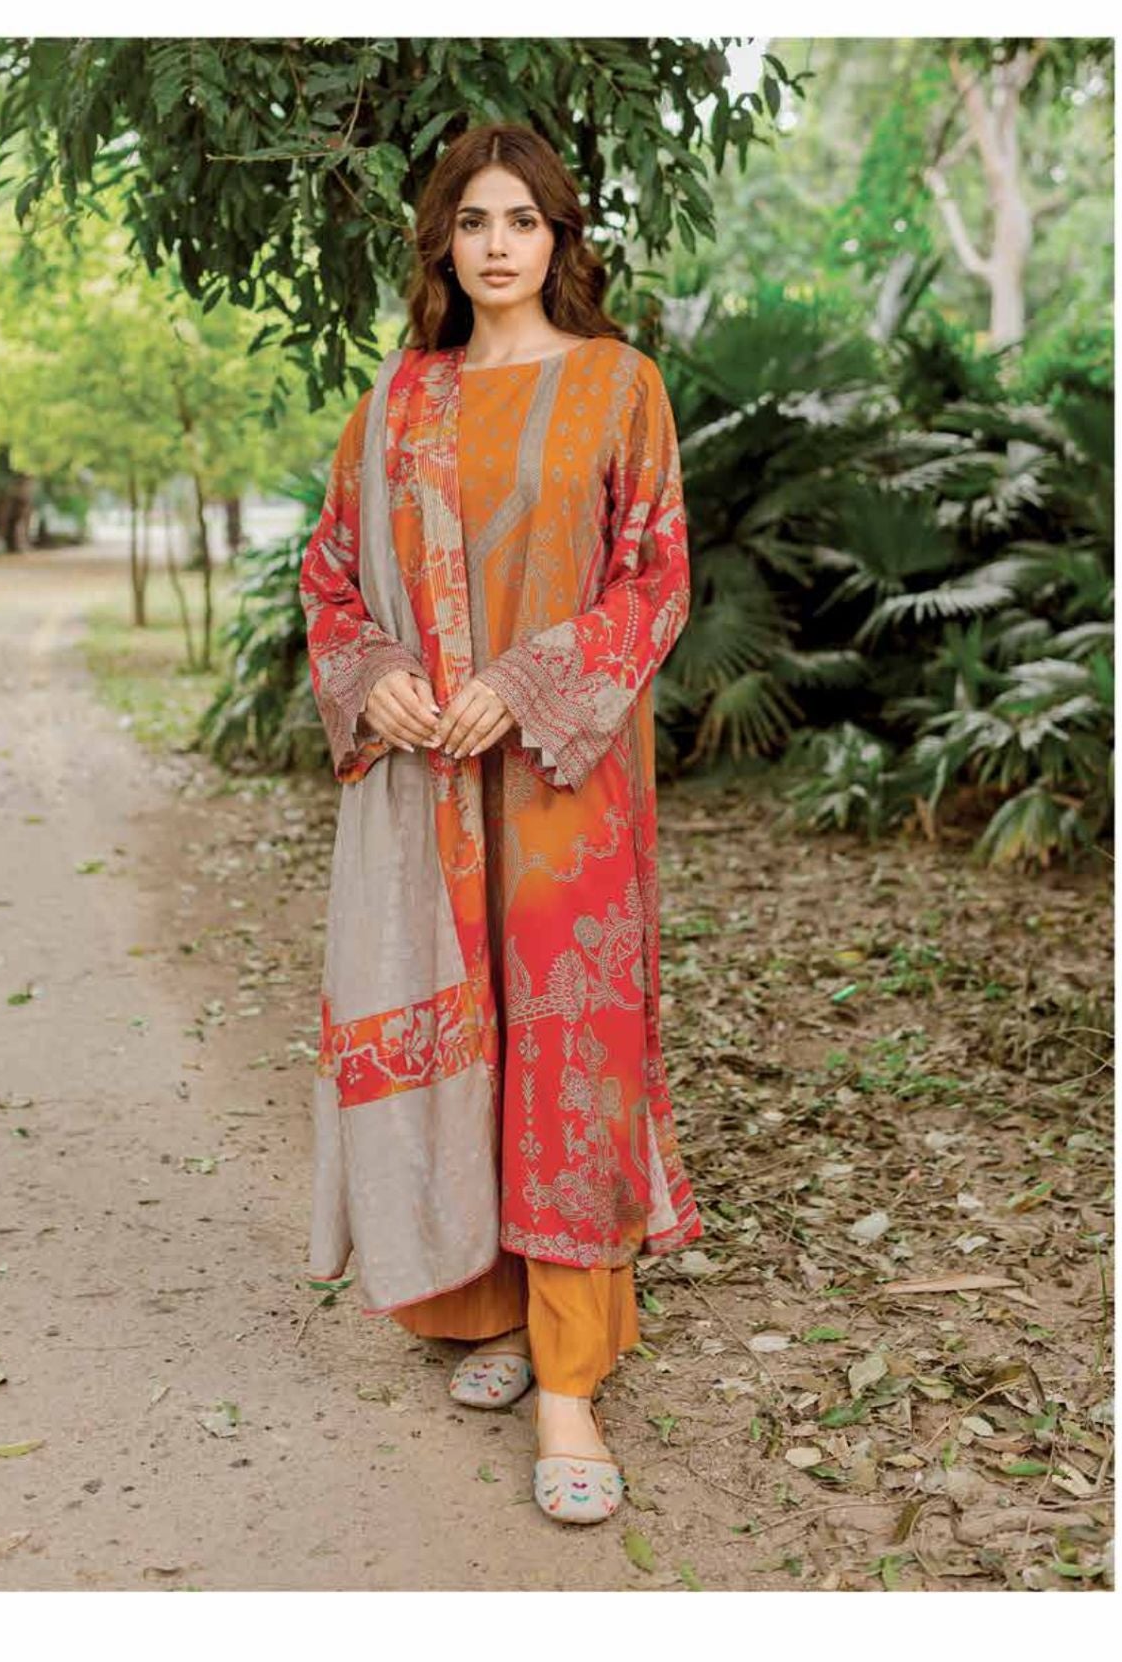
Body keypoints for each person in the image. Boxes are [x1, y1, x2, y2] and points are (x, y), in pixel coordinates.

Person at [299, 121, 703, 1526]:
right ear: (443, 243)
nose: (496, 244)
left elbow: (656, 578)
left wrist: (525, 685)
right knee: (466, 1029)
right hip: (432, 788)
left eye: (522, 220)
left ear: (559, 239)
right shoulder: (399, 400)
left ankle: (572, 1378)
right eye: (472, 220)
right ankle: (487, 1306)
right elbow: (331, 574)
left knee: (569, 1051)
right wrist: (376, 675)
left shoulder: (619, 384)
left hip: (566, 783)